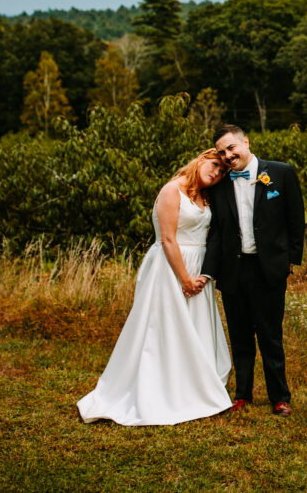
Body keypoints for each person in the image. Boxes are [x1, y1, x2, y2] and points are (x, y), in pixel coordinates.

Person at [76, 149, 233, 425]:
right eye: (214, 165)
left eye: (222, 172)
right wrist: (185, 278)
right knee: (165, 326)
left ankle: (193, 384)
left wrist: (204, 274)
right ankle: (160, 387)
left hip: (198, 268)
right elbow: (168, 240)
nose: (216, 173)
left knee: (196, 326)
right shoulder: (172, 191)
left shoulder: (205, 196)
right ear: (202, 159)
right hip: (171, 267)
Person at [203, 124, 305, 416]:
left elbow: (295, 219)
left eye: (231, 148)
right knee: (240, 335)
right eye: (222, 153)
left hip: (269, 268)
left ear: (245, 142)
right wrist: (210, 271)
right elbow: (218, 231)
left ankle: (279, 397)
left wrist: (289, 261)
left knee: (271, 335)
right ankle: (242, 394)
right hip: (234, 269)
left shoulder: (280, 173)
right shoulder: (220, 183)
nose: (228, 156)